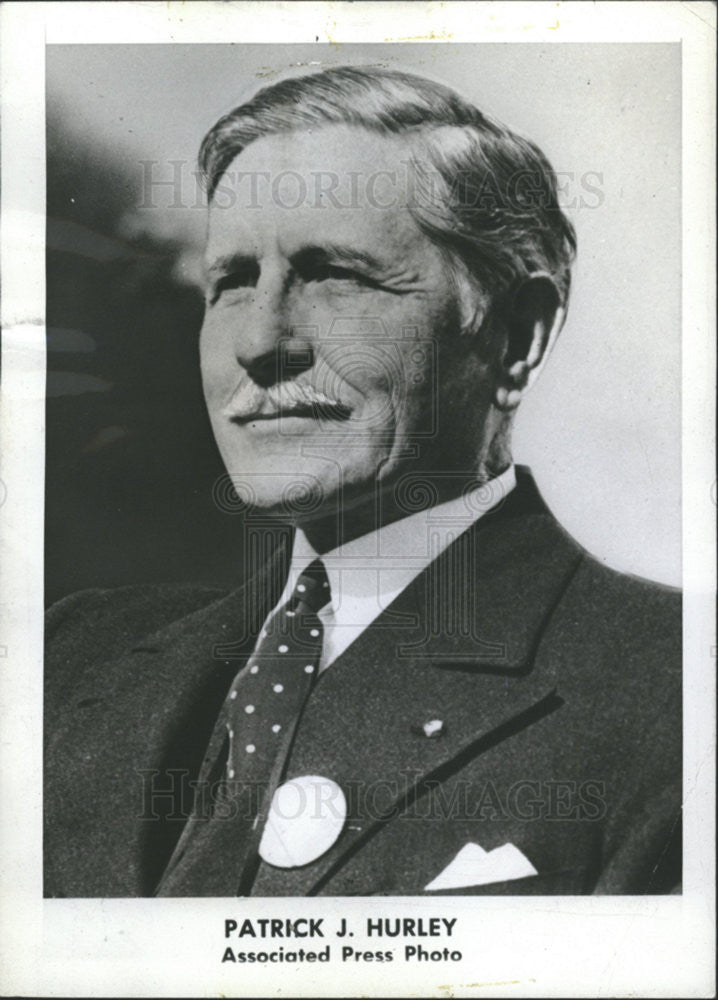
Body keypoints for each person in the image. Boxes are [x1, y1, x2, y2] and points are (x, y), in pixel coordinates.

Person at [44, 66, 681, 897]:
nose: (261, 341)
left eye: (336, 275)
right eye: (232, 282)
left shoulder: (672, 683)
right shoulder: (73, 663)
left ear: (517, 336)